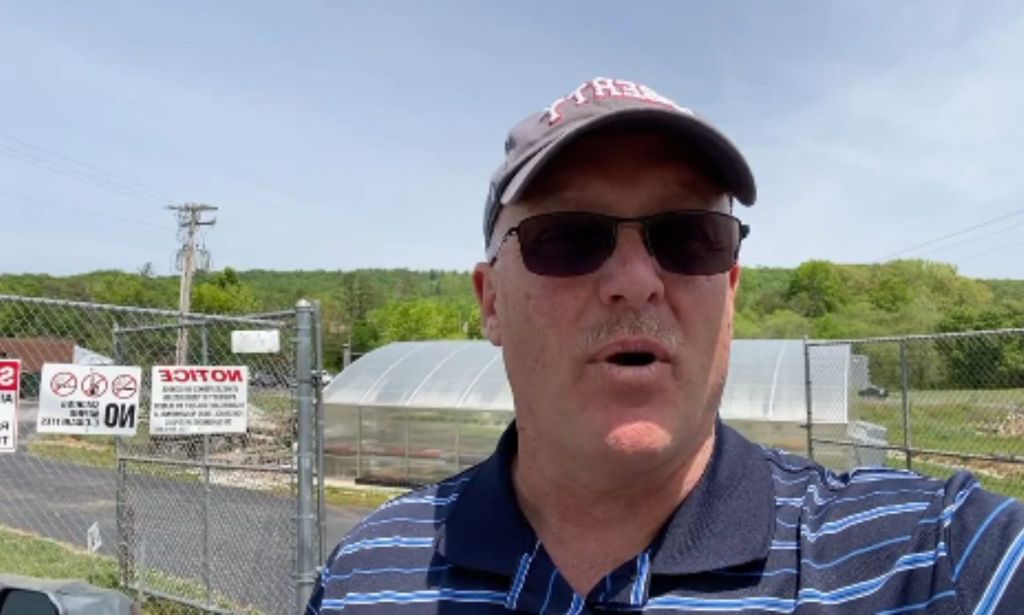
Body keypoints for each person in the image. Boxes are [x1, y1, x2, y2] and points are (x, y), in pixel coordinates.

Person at [308, 77, 1024, 614]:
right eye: (568, 238)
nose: (635, 282)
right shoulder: (365, 578)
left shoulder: (930, 559)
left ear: (730, 292)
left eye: (689, 237)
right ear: (491, 300)